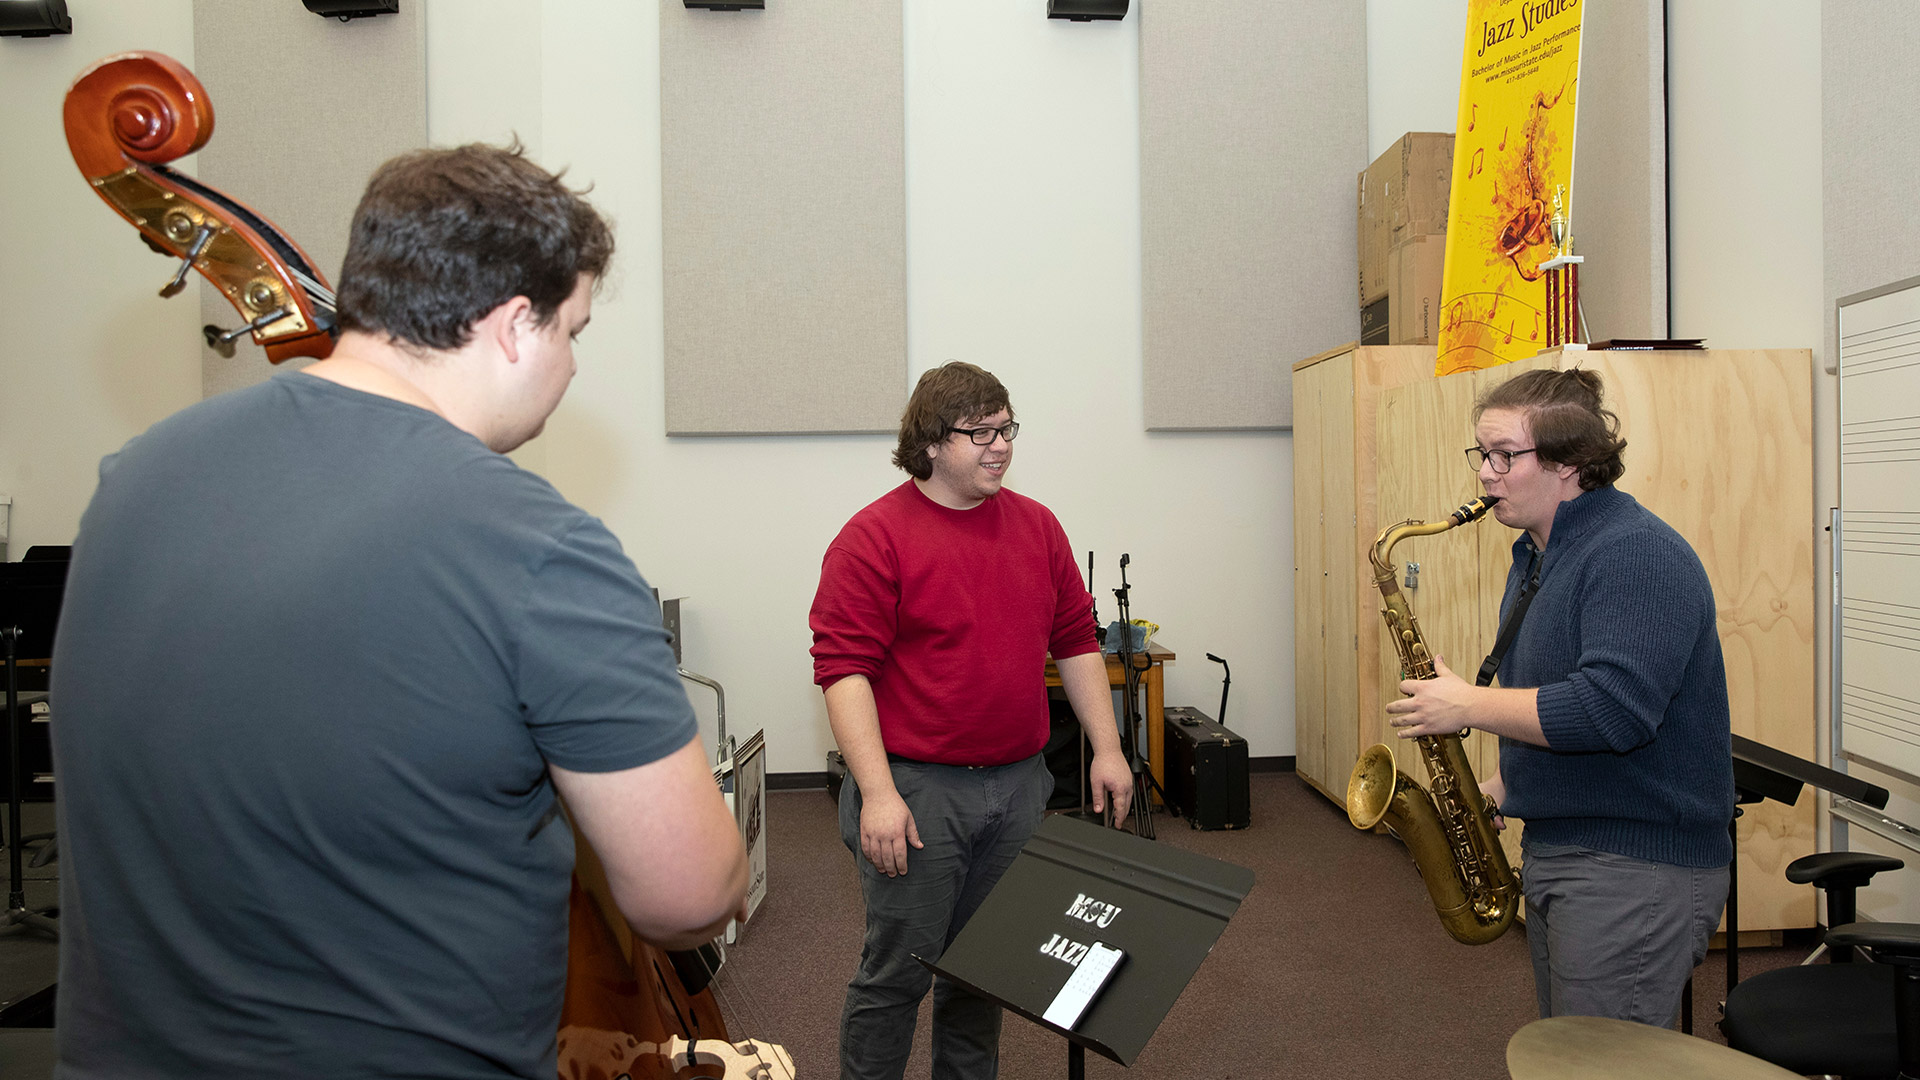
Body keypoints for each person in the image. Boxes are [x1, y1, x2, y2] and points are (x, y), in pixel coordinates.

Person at [50, 143, 748, 1079]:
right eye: (572, 331)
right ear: (511, 327)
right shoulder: (537, 546)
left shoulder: (134, 477)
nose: (574, 367)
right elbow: (687, 894)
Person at [810, 361, 1133, 1080]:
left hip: (1019, 786)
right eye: (979, 432)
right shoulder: (873, 538)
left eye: (1006, 428)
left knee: (984, 973)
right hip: (918, 792)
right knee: (898, 976)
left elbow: (1076, 639)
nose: (1000, 446)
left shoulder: (1038, 526)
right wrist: (880, 794)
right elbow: (844, 672)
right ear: (930, 444)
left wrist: (1108, 750)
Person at [1384, 367, 1733, 1027]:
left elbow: (1610, 711)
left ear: (1568, 463)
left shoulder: (1633, 555)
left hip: (1635, 868)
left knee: (1604, 1068)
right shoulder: (1538, 556)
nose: (1484, 473)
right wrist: (1497, 790)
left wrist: (1465, 706)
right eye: (1480, 454)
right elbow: (1555, 709)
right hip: (1567, 853)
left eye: (1503, 456)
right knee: (1566, 1054)